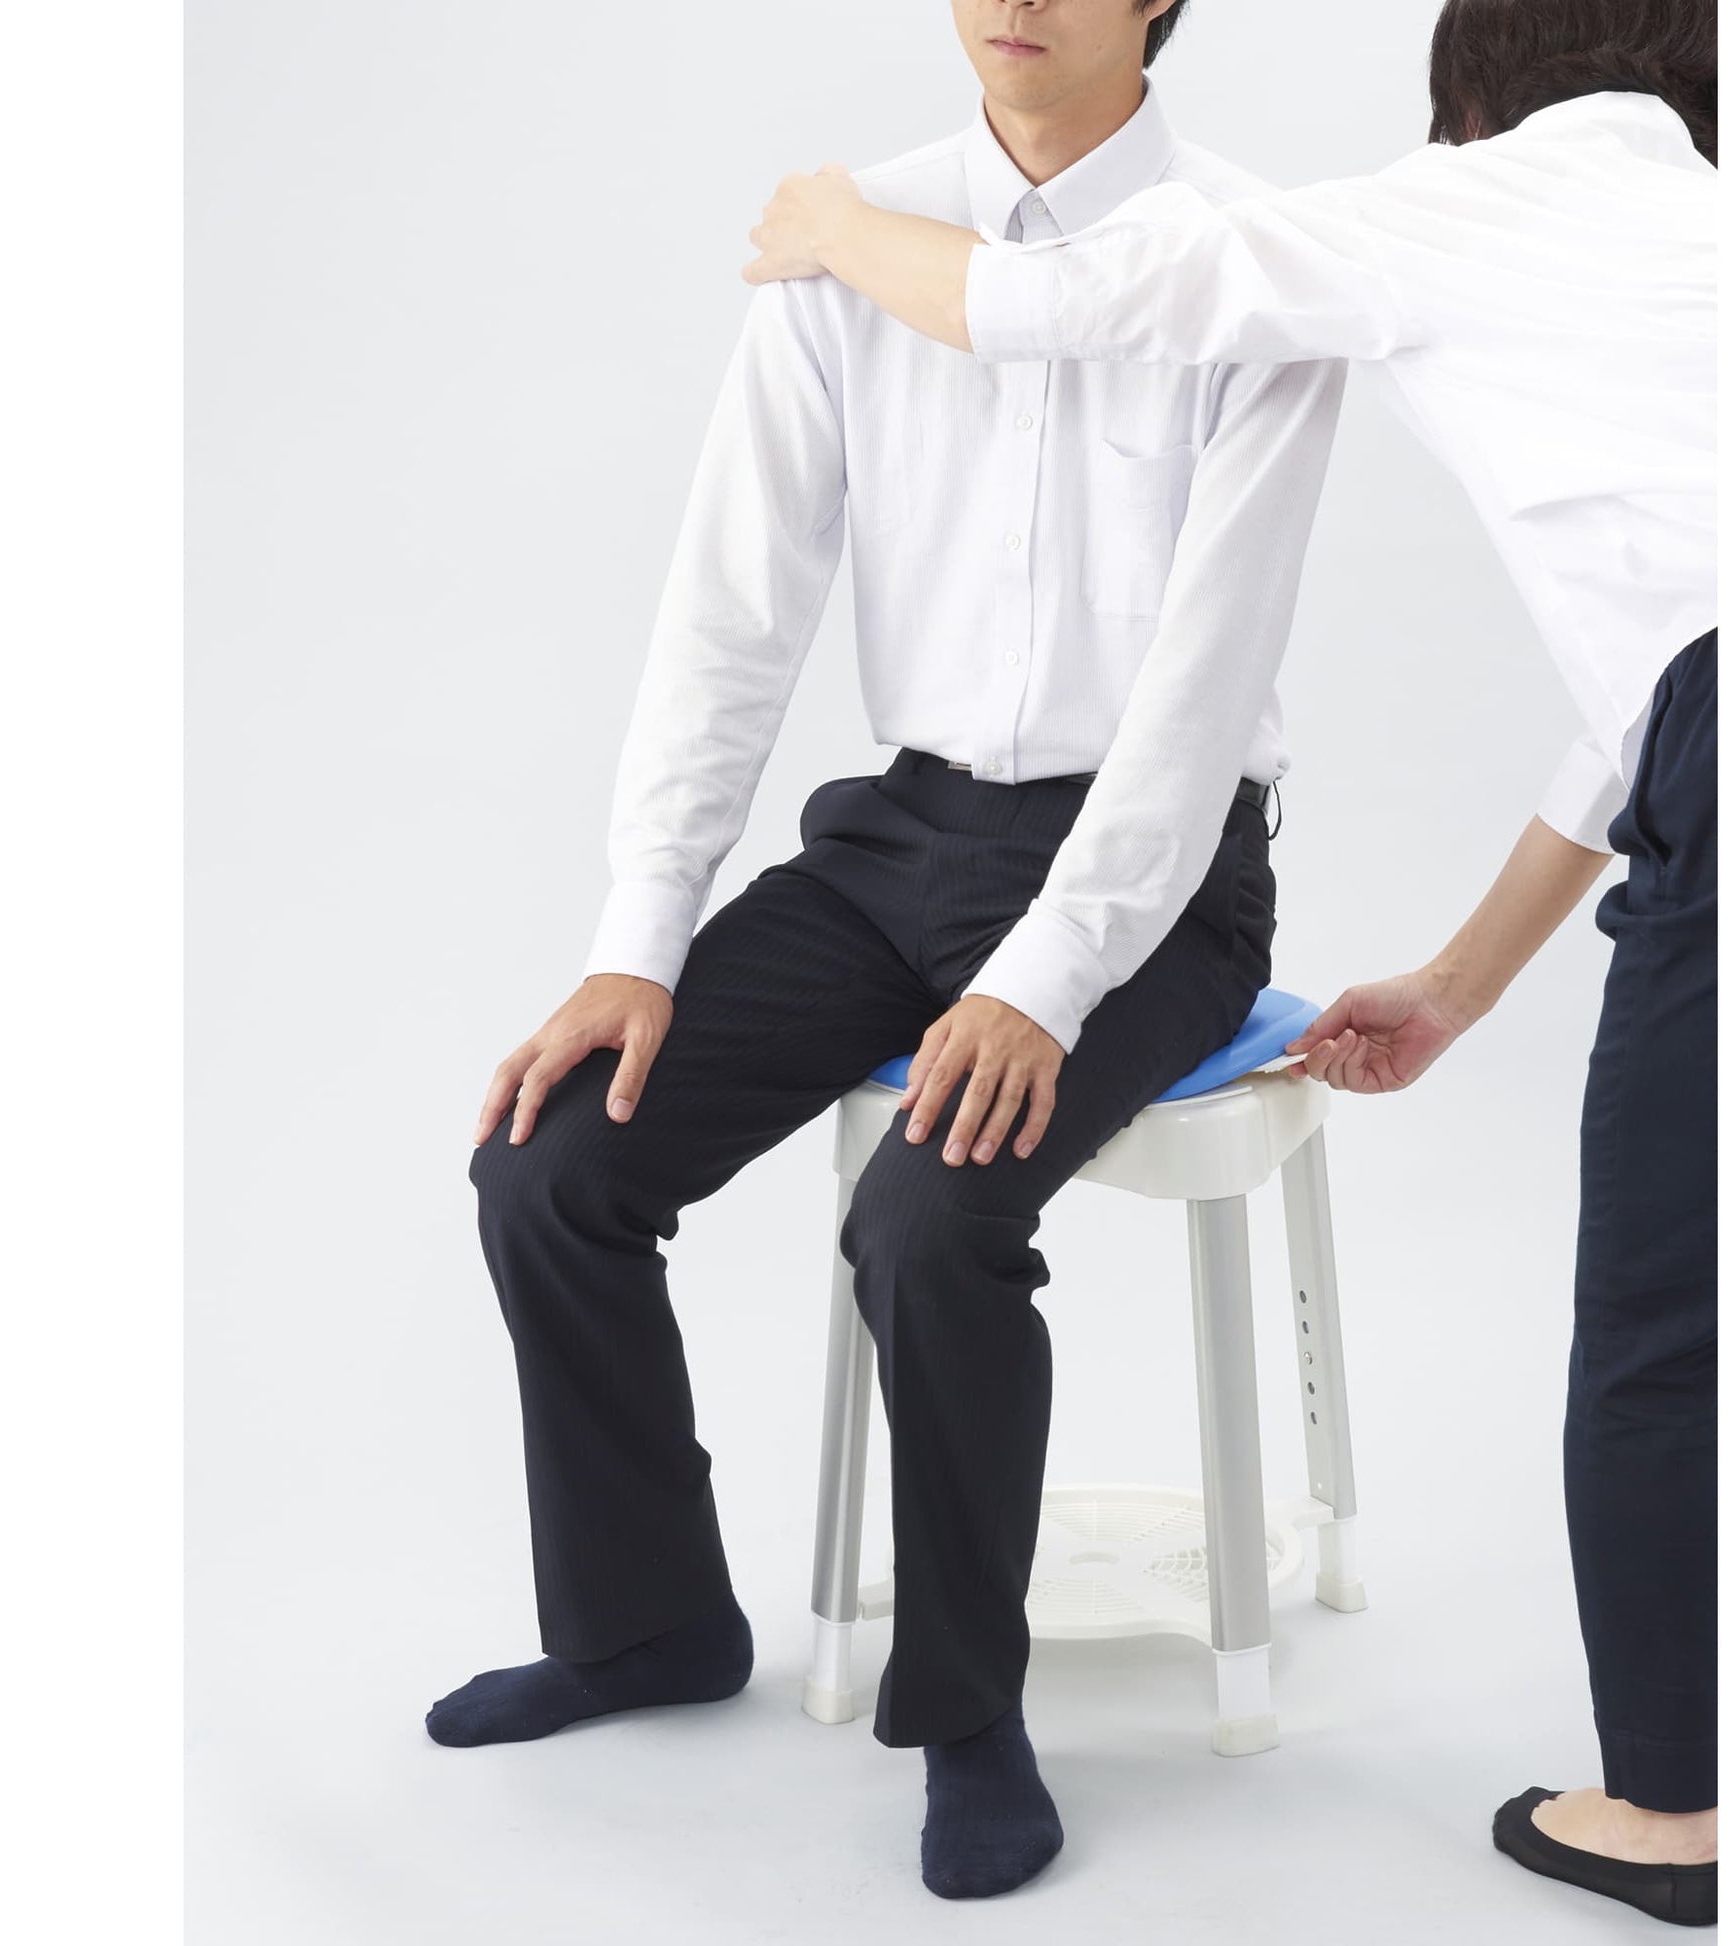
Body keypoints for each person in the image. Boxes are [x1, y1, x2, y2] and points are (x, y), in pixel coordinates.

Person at [744, 0, 1717, 1927]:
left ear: (1468, 94)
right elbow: (1654, 702)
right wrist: (1460, 982)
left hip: (1630, 771)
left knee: (1670, 1325)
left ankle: (1678, 1813)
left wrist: (832, 225)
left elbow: (1070, 300)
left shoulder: (1459, 202)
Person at [432, 0, 1347, 1902]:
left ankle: (964, 1711)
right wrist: (640, 931)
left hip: (1159, 872)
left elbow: (1202, 689)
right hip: (898, 841)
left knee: (926, 1219)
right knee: (549, 1164)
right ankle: (645, 1623)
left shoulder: (1255, 264)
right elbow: (735, 599)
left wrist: (1044, 974)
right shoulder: (844, 239)